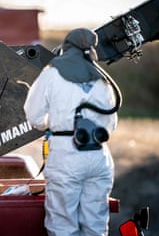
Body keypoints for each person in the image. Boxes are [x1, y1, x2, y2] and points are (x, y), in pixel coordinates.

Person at [23, 28, 119, 236]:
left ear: (66, 47)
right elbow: (110, 124)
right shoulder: (101, 79)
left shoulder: (52, 72)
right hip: (99, 156)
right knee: (95, 225)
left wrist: (53, 124)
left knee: (63, 224)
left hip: (67, 155)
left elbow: (34, 115)